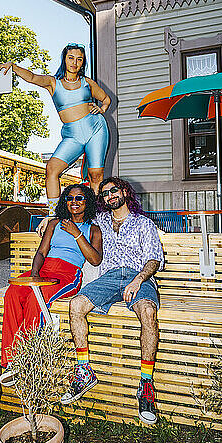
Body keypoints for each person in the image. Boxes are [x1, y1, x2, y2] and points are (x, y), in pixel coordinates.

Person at [60, 177, 164, 426]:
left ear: (125, 192)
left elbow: (153, 260)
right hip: (109, 278)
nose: (109, 196)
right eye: (105, 193)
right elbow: (74, 215)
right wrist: (45, 220)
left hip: (137, 277)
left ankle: (146, 384)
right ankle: (84, 371)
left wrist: (138, 280)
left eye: (113, 191)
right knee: (76, 305)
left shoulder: (143, 224)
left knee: (148, 312)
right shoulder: (100, 222)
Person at [0, 184, 102, 386]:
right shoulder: (55, 224)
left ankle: (25, 358)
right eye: (70, 198)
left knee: (36, 298)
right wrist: (35, 274)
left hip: (67, 274)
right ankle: (11, 359)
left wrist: (77, 234)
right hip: (44, 269)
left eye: (79, 198)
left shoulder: (93, 230)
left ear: (87, 201)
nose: (74, 202)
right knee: (13, 292)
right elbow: (41, 252)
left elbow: (95, 260)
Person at [0, 43, 111, 217]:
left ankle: (97, 215)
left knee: (96, 174)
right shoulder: (53, 82)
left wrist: (102, 109)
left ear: (83, 62)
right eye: (71, 58)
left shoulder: (87, 83)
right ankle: (54, 214)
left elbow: (106, 99)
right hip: (72, 135)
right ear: (64, 59)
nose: (75, 62)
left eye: (79, 59)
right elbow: (32, 77)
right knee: (52, 169)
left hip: (96, 129)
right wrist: (13, 66)